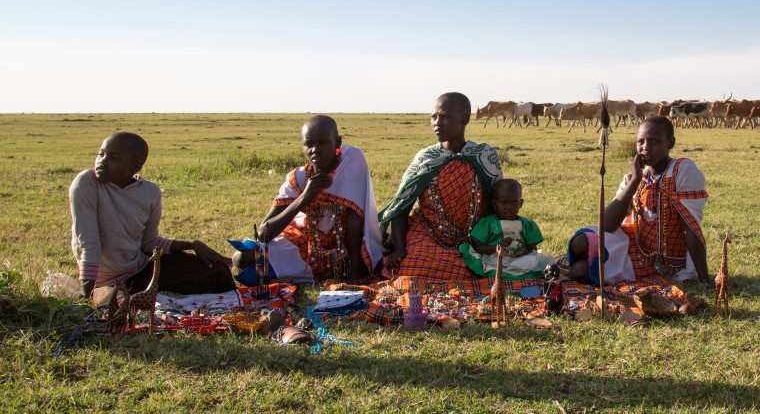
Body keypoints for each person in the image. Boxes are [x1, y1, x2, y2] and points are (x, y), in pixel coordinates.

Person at [70, 132, 234, 298]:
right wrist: (86, 298)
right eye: (101, 154)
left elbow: (149, 243)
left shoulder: (150, 192)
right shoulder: (87, 183)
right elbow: (88, 243)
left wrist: (192, 244)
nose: (102, 162)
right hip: (106, 283)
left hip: (139, 272)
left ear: (134, 168)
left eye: (114, 158)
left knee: (218, 272)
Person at [231, 115, 383, 284]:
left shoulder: (351, 163)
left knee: (255, 274)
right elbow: (263, 234)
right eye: (309, 144)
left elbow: (355, 223)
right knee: (241, 259)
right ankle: (312, 274)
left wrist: (355, 280)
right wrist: (304, 197)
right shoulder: (299, 178)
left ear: (338, 143)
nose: (315, 150)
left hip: (341, 249)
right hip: (304, 244)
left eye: (323, 143)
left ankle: (320, 274)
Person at [567, 116, 711, 286]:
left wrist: (705, 281)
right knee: (579, 243)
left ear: (670, 143)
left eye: (654, 141)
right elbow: (607, 225)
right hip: (633, 246)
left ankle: (568, 264)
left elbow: (691, 228)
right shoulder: (634, 178)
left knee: (579, 272)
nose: (645, 148)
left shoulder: (682, 170)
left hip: (668, 263)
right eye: (640, 142)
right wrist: (635, 180)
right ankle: (564, 262)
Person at [378, 92, 503, 281]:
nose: (437, 122)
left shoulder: (484, 155)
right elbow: (401, 206)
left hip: (475, 240)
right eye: (433, 117)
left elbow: (500, 205)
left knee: (501, 265)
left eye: (444, 116)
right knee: (413, 265)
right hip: (428, 235)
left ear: (465, 118)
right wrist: (400, 248)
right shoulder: (425, 158)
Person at [459, 178, 553, 280]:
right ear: (494, 204)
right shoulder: (487, 224)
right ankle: (510, 274)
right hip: (496, 259)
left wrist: (524, 251)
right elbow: (479, 248)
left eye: (514, 203)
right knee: (491, 265)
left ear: (520, 203)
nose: (509, 207)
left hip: (520, 260)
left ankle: (514, 273)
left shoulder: (527, 225)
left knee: (535, 259)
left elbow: (532, 249)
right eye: (503, 203)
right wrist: (497, 247)